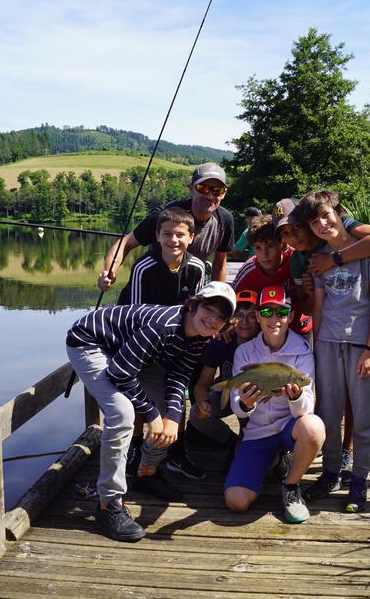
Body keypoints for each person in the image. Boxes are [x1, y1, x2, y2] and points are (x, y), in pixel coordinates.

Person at [65, 282, 236, 541]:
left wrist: (172, 419)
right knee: (122, 413)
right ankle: (107, 503)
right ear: (194, 304)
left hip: (131, 352)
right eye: (209, 309)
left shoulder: (201, 337)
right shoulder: (164, 326)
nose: (213, 319)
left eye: (221, 317)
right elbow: (120, 373)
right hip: (91, 341)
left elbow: (179, 376)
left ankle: (146, 474)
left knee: (170, 412)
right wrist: (153, 415)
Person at [274, 197, 370, 483]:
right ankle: (331, 471)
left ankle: (359, 477)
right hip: (327, 341)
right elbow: (315, 307)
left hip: (360, 342)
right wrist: (316, 347)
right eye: (314, 222)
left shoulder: (366, 247)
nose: (321, 225)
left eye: (325, 218)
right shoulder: (312, 259)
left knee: (363, 412)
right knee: (328, 408)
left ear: (338, 214)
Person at [115, 206, 208, 483]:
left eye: (180, 235)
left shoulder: (197, 268)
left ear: (191, 237)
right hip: (141, 342)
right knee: (140, 401)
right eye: (167, 234)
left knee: (176, 398)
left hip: (179, 342)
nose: (173, 240)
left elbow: (199, 310)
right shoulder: (144, 267)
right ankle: (134, 452)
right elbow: (130, 316)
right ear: (156, 236)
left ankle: (177, 452)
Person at [224, 286, 324, 523]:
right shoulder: (245, 352)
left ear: (290, 316)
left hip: (289, 428)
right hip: (257, 432)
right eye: (267, 313)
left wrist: (295, 397)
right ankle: (275, 460)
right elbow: (237, 408)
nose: (274, 319)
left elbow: (306, 408)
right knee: (236, 501)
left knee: (313, 427)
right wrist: (246, 404)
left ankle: (291, 485)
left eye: (281, 312)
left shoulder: (302, 352)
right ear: (258, 316)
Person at [98, 162, 234, 287]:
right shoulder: (164, 216)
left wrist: (217, 295)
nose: (210, 195)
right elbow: (126, 243)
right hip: (151, 285)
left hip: (189, 285)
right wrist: (109, 270)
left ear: (224, 193)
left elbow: (220, 264)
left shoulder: (225, 220)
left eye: (217, 190)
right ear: (191, 188)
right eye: (203, 188)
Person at [190, 290, 261, 448]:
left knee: (250, 442)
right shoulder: (221, 342)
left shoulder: (264, 341)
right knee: (196, 414)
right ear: (230, 319)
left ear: (259, 317)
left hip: (255, 400)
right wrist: (202, 402)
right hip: (226, 393)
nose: (244, 321)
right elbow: (202, 384)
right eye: (239, 315)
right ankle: (230, 441)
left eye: (251, 315)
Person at [231, 215, 311, 336]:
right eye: (258, 248)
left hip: (300, 329)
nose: (264, 254)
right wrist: (226, 324)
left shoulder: (298, 260)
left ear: (282, 245)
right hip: (264, 333)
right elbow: (230, 301)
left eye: (270, 246)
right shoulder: (249, 270)